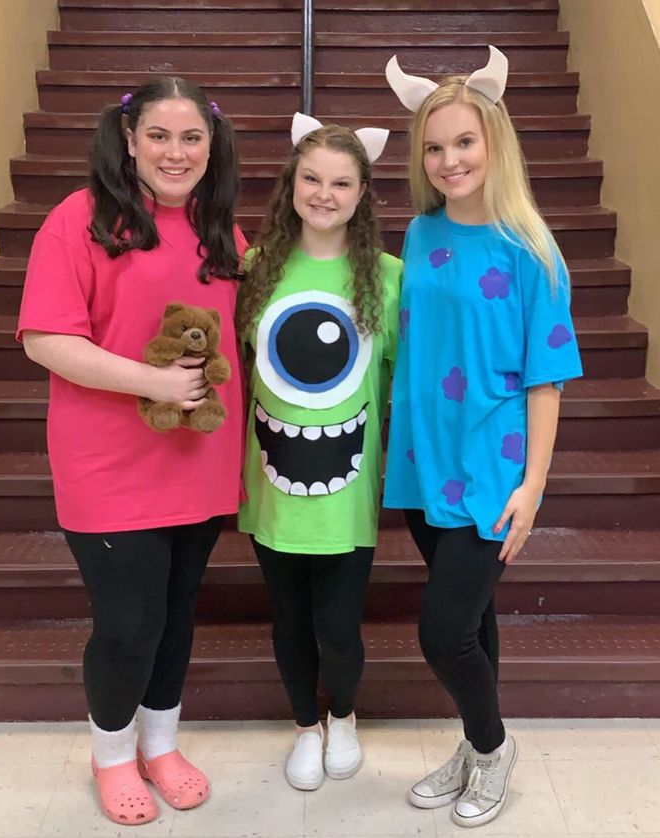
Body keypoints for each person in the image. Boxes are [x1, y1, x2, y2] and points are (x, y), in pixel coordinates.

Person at [17, 77, 247, 825]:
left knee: (177, 612)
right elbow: (47, 338)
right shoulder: (77, 220)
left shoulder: (223, 232)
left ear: (211, 147)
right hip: (108, 460)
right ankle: (112, 754)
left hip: (199, 460)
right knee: (127, 622)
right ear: (126, 138)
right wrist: (151, 379)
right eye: (159, 136)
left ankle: (161, 744)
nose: (175, 153)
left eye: (191, 138)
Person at [383, 47, 583, 828]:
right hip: (423, 463)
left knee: (442, 633)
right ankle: (475, 746)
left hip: (492, 469)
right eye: (433, 147)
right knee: (474, 622)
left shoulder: (532, 250)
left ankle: (491, 748)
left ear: (493, 143)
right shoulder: (419, 231)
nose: (447, 159)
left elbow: (545, 380)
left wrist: (531, 486)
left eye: (462, 142)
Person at [235, 113, 402, 791]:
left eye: (340, 182)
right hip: (273, 480)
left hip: (348, 482)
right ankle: (306, 724)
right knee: (289, 619)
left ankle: (346, 716)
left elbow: (398, 378)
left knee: (338, 625)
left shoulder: (388, 277)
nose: (324, 194)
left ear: (362, 194)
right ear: (290, 184)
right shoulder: (253, 266)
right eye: (311, 178)